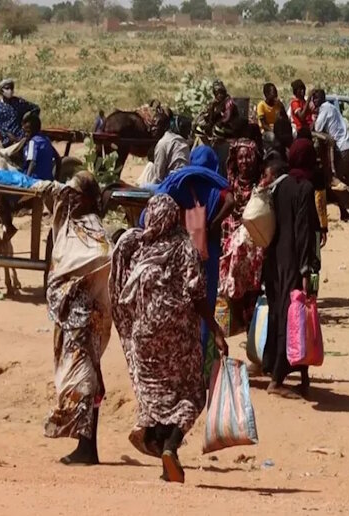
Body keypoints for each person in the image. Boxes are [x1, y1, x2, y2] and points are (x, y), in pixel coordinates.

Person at [111, 194, 228, 483]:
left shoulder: (138, 249)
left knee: (155, 396)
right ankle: (170, 446)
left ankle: (159, 446)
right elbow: (197, 293)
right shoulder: (185, 247)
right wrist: (214, 328)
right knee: (192, 394)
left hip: (144, 338)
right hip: (178, 340)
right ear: (174, 218)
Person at [30, 172, 112, 465]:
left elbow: (100, 268)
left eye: (77, 195)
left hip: (88, 319)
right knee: (84, 378)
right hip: (67, 318)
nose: (71, 199)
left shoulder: (95, 232)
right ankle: (86, 445)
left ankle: (87, 448)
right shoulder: (65, 223)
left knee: (85, 380)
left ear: (90, 199)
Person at [153, 146, 235, 374]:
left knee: (180, 300)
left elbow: (158, 200)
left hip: (180, 249)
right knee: (205, 303)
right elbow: (231, 201)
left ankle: (177, 360)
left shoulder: (180, 182)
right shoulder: (215, 185)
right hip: (206, 250)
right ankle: (198, 364)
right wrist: (213, 223)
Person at [261, 159, 320, 398]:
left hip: (275, 261)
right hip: (295, 262)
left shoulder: (278, 186)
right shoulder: (304, 188)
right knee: (295, 317)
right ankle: (276, 379)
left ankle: (302, 377)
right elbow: (304, 230)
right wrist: (307, 269)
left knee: (288, 316)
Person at [219, 139, 264, 326]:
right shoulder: (230, 182)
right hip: (231, 232)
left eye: (248, 157)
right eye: (241, 158)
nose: (244, 161)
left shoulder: (260, 184)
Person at [313, 89, 349, 221]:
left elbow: (317, 128)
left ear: (321, 99)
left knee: (335, 182)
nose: (314, 101)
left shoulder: (324, 110)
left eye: (315, 99)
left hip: (341, 148)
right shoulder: (332, 108)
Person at [289, 130, 329, 248]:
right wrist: (323, 227)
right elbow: (320, 202)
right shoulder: (316, 173)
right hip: (312, 225)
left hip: (291, 228)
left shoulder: (288, 174)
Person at [140, 115, 190, 186]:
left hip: (171, 184)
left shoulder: (164, 142)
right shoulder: (185, 143)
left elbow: (159, 176)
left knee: (143, 186)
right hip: (185, 182)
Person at [0, 79, 39, 147]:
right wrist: (8, 135)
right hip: (5, 140)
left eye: (11, 88)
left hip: (21, 137)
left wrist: (28, 121)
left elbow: (35, 108)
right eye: (7, 88)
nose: (10, 90)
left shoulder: (19, 102)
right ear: (1, 91)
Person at [22, 111, 61, 181]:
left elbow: (32, 163)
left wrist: (27, 180)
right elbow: (58, 158)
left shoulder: (33, 142)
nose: (25, 135)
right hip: (48, 179)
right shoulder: (46, 140)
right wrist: (56, 177)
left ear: (34, 130)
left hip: (35, 180)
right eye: (24, 132)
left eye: (27, 132)